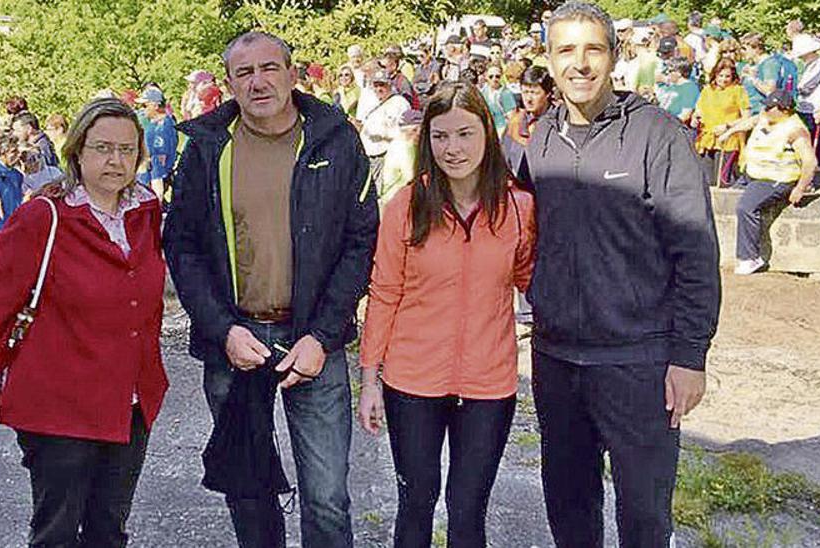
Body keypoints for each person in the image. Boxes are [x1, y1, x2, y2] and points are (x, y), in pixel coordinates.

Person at [163, 30, 376, 548]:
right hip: (236, 341)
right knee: (249, 486)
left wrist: (324, 336)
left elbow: (360, 241)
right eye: (244, 73)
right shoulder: (206, 149)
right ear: (230, 83)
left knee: (327, 496)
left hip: (311, 340)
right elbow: (182, 246)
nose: (258, 82)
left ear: (290, 73)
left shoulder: (335, 139)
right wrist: (221, 330)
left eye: (268, 68)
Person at [519, 3, 720, 545]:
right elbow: (519, 236)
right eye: (565, 50)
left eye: (593, 49)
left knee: (645, 517)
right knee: (568, 507)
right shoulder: (539, 141)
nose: (579, 64)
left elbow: (696, 252)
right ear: (549, 59)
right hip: (557, 360)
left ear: (614, 57)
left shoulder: (658, 136)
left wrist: (689, 356)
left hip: (639, 362)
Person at [0, 98, 168, 548]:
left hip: (130, 402)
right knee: (56, 534)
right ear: (76, 151)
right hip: (60, 405)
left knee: (108, 532)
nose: (116, 160)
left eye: (127, 150)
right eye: (102, 148)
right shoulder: (43, 216)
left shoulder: (145, 212)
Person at [358, 81, 535, 548]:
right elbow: (384, 292)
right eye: (440, 136)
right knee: (416, 503)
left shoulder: (519, 208)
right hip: (412, 381)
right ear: (426, 140)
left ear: (487, 135)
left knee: (468, 509)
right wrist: (370, 380)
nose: (452, 149)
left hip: (489, 384)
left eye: (464, 134)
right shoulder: (406, 206)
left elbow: (530, 278)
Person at [718, 91, 818, 275]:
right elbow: (751, 121)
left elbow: (810, 162)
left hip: (777, 178)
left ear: (784, 110)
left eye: (769, 108)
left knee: (745, 207)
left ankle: (749, 258)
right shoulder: (766, 117)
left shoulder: (796, 130)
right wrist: (730, 132)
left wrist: (800, 188)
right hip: (754, 173)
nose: (765, 110)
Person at [694, 61, 750, 186]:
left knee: (722, 181)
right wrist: (696, 118)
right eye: (721, 76)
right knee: (707, 182)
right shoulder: (707, 91)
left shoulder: (738, 91)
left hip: (728, 141)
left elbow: (746, 118)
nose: (724, 79)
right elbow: (698, 110)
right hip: (707, 139)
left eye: (727, 76)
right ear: (715, 75)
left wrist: (727, 126)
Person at [357, 70, 411, 191]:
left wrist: (383, 135)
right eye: (375, 85)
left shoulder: (400, 103)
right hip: (370, 155)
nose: (378, 89)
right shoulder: (373, 103)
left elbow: (406, 132)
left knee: (384, 192)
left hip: (387, 154)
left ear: (390, 85)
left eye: (382, 85)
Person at [792, 33, 820, 168]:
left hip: (815, 107)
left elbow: (806, 86)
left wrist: (794, 88)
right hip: (803, 107)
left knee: (814, 140)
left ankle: (816, 167)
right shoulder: (806, 65)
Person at [136, 88, 178, 200]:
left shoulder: (163, 126)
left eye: (145, 105)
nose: (142, 110)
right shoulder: (153, 124)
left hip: (154, 172)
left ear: (155, 105)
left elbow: (160, 161)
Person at [378, 109, 422, 207]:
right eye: (416, 130)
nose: (420, 134)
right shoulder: (403, 147)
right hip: (396, 200)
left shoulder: (401, 143)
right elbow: (411, 176)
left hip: (397, 198)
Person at [656, 56, 699, 124]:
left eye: (670, 71)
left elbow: (685, 115)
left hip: (674, 127)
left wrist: (667, 125)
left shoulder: (690, 88)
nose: (668, 74)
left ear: (679, 73)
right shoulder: (670, 86)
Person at [480, 65, 518, 136]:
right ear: (486, 77)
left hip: (501, 128)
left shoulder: (505, 93)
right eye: (491, 76)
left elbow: (511, 116)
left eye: (497, 76)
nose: (494, 79)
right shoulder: (483, 92)